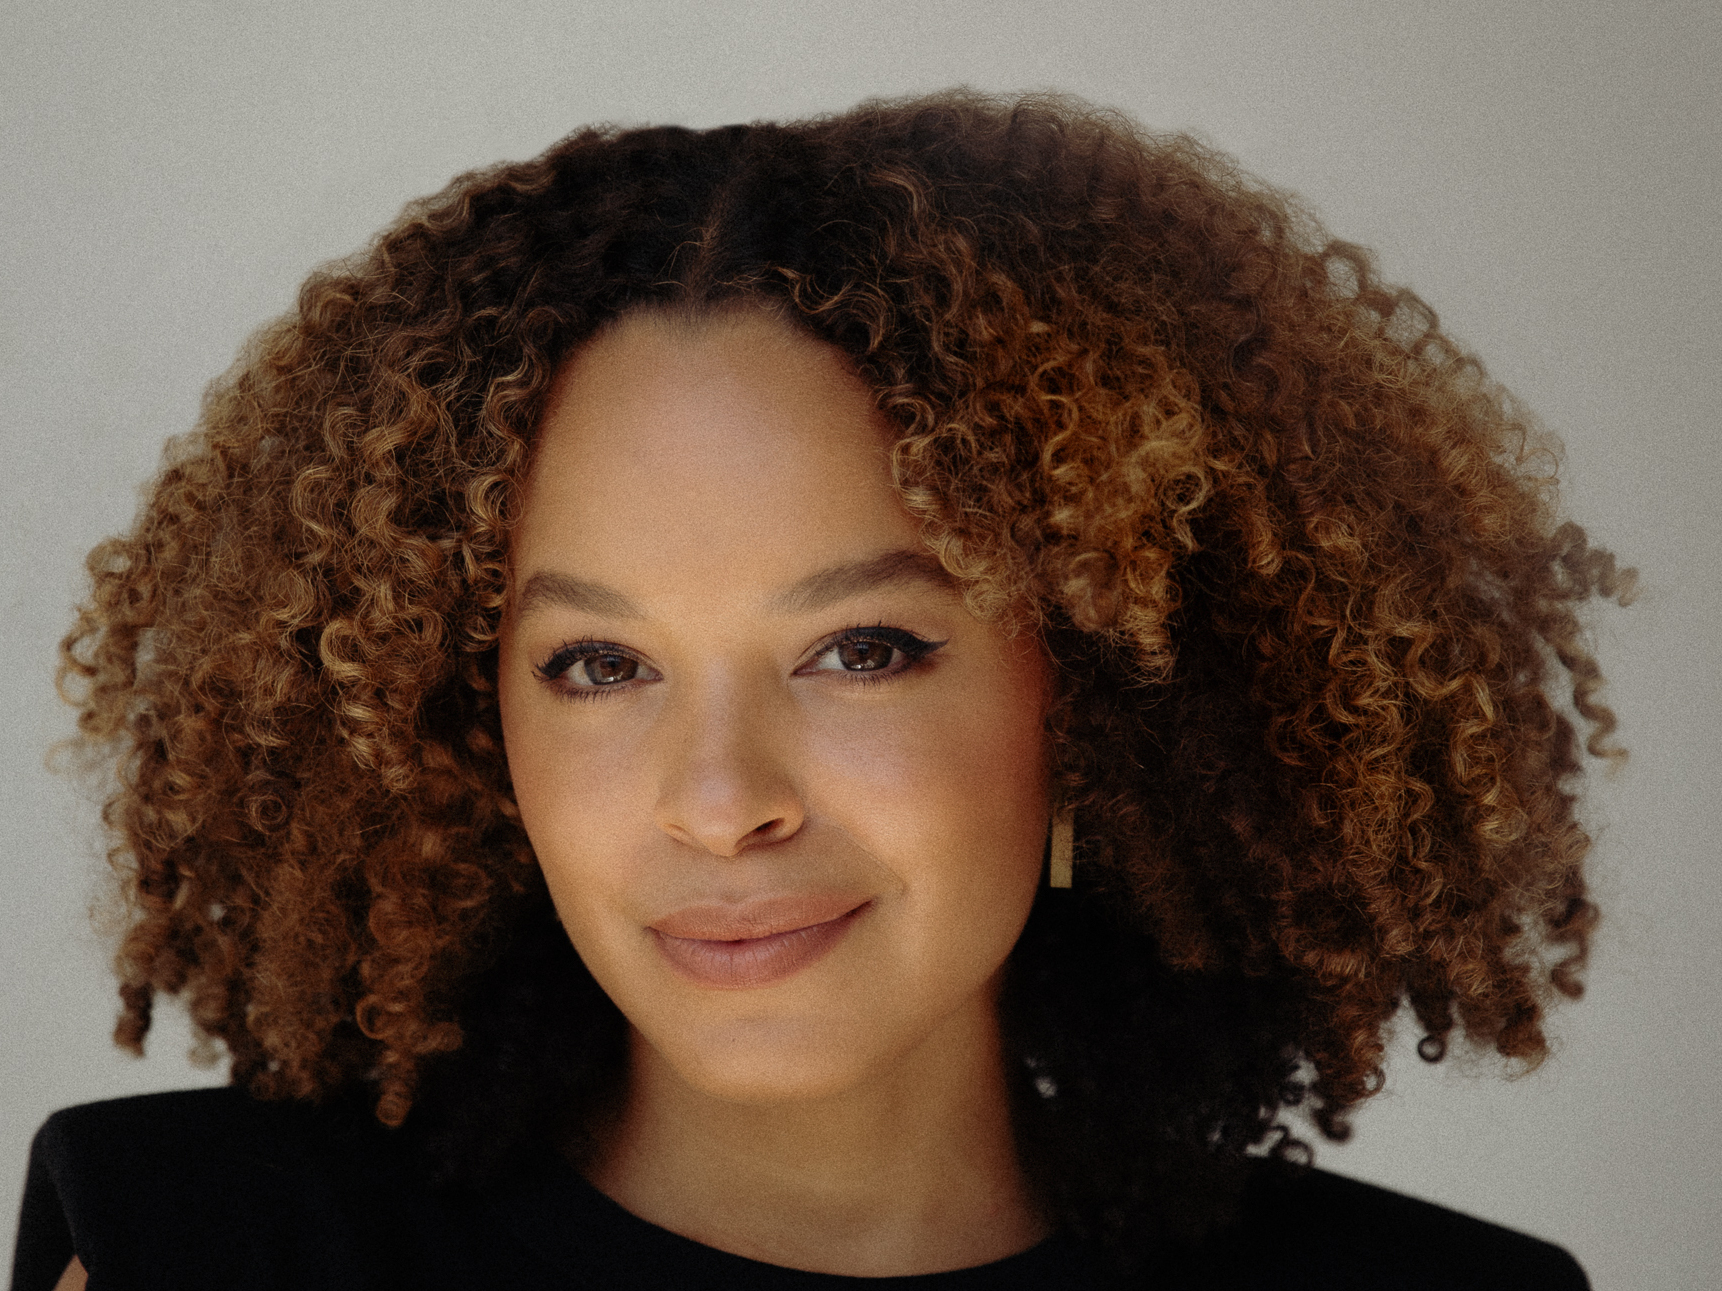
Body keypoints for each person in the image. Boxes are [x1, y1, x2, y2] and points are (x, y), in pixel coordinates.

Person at [11, 90, 1625, 1289]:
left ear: (1103, 695)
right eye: (596, 665)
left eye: (862, 650)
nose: (721, 798)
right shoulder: (210, 1254)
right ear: (464, 725)